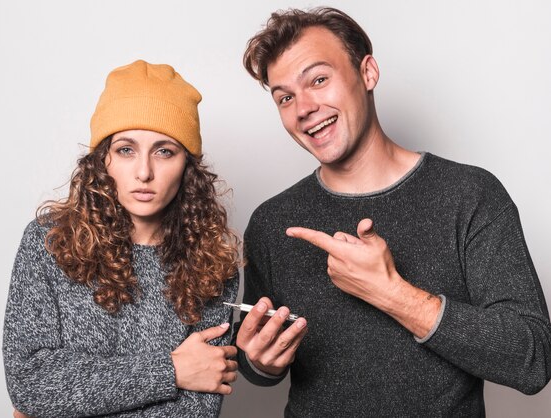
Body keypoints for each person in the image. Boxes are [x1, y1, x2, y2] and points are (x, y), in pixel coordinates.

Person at [234, 7, 551, 417]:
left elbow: (532, 359)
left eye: (318, 79)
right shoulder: (272, 222)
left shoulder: (471, 195)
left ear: (367, 73)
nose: (304, 108)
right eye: (285, 97)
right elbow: (255, 365)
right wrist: (260, 362)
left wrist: (391, 292)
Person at [3, 60, 240, 417]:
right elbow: (30, 383)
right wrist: (171, 371)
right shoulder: (49, 241)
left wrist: (74, 391)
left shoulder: (212, 266)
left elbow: (198, 406)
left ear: (187, 168)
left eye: (164, 151)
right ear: (103, 161)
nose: (144, 172)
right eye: (126, 149)